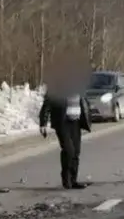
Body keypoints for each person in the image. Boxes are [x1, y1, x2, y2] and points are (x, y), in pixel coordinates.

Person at [39, 56, 93, 189]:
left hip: (75, 122)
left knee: (76, 152)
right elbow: (47, 104)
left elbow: (84, 103)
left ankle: (73, 180)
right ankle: (66, 179)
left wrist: (88, 117)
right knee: (68, 150)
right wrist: (43, 123)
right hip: (62, 122)